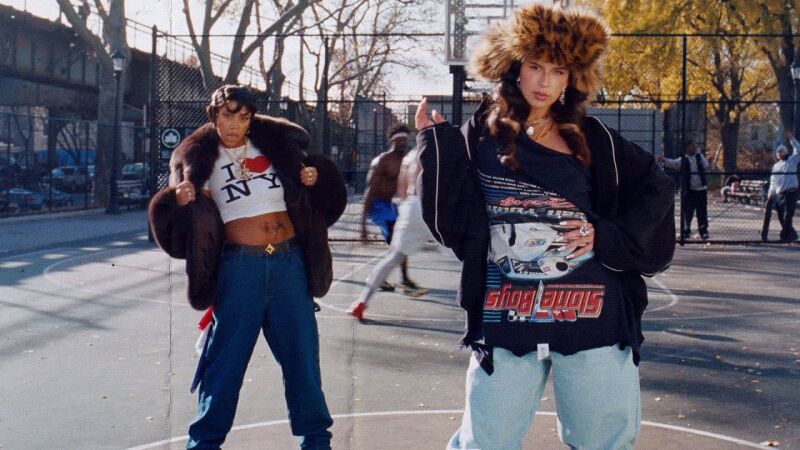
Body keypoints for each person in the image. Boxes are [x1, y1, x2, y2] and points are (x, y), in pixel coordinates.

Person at [414, 3, 675, 449]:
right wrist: (433, 146)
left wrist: (604, 236)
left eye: (557, 71)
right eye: (535, 66)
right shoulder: (480, 136)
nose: (544, 81)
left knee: (602, 443)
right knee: (485, 443)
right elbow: (450, 224)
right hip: (507, 317)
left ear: (571, 78)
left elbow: (658, 188)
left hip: (594, 318)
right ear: (515, 67)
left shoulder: (595, 139)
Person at [147, 85, 346, 450]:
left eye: (244, 117)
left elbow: (317, 200)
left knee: (302, 359)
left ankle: (317, 442)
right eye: (228, 115)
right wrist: (177, 199)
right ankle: (204, 444)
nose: (235, 124)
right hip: (241, 267)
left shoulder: (274, 149)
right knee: (225, 363)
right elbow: (180, 230)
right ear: (213, 115)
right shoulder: (199, 161)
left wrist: (312, 180)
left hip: (289, 263)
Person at [348, 145, 431, 320]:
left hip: (412, 206)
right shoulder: (443, 148)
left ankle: (362, 302)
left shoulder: (410, 156)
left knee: (393, 256)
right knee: (467, 253)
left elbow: (402, 191)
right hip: (432, 206)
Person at [361, 123, 425, 294]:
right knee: (399, 240)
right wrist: (363, 227)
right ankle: (404, 281)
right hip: (376, 206)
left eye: (405, 139)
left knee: (400, 241)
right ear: (392, 141)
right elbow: (370, 191)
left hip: (389, 206)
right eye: (400, 140)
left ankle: (380, 278)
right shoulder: (382, 161)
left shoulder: (405, 161)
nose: (403, 143)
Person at [658, 140, 710, 240]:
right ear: (687, 148)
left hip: (701, 189)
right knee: (687, 212)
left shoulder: (699, 157)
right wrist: (663, 160)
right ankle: (686, 231)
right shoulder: (683, 160)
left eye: (694, 146)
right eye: (692, 146)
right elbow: (672, 163)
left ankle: (703, 231)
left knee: (702, 212)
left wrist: (710, 162)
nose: (694, 148)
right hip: (689, 190)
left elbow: (706, 165)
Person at [767, 129, 800, 242]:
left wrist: (791, 139)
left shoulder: (792, 160)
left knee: (788, 214)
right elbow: (773, 181)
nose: (779, 153)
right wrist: (770, 193)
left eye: (781, 151)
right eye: (778, 152)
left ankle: (783, 236)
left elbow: (798, 150)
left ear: (786, 152)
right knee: (781, 215)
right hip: (780, 193)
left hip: (791, 192)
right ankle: (792, 234)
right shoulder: (776, 166)